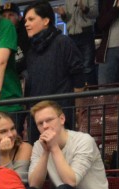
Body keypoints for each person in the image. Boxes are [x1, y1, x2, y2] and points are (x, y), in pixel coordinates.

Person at [27, 100, 118, 189]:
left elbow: (71, 182)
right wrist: (45, 152)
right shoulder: (38, 145)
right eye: (40, 123)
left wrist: (54, 147)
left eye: (49, 120)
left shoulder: (84, 141)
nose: (45, 126)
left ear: (62, 119)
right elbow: (34, 185)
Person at [22, 2, 87, 139]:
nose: (26, 24)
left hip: (60, 113)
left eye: (31, 19)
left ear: (46, 21)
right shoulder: (31, 50)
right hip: (36, 115)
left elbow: (78, 75)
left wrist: (77, 107)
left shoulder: (63, 42)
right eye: (25, 20)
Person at [0, 111, 32, 184]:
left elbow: (15, 184)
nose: (11, 135)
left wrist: (4, 156)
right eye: (3, 132)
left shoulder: (24, 148)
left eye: (12, 128)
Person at [57, 0, 98, 86]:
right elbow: (67, 20)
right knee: (74, 66)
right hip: (72, 35)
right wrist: (63, 14)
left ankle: (91, 90)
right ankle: (78, 90)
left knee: (87, 66)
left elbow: (95, 13)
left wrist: (84, 8)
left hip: (85, 33)